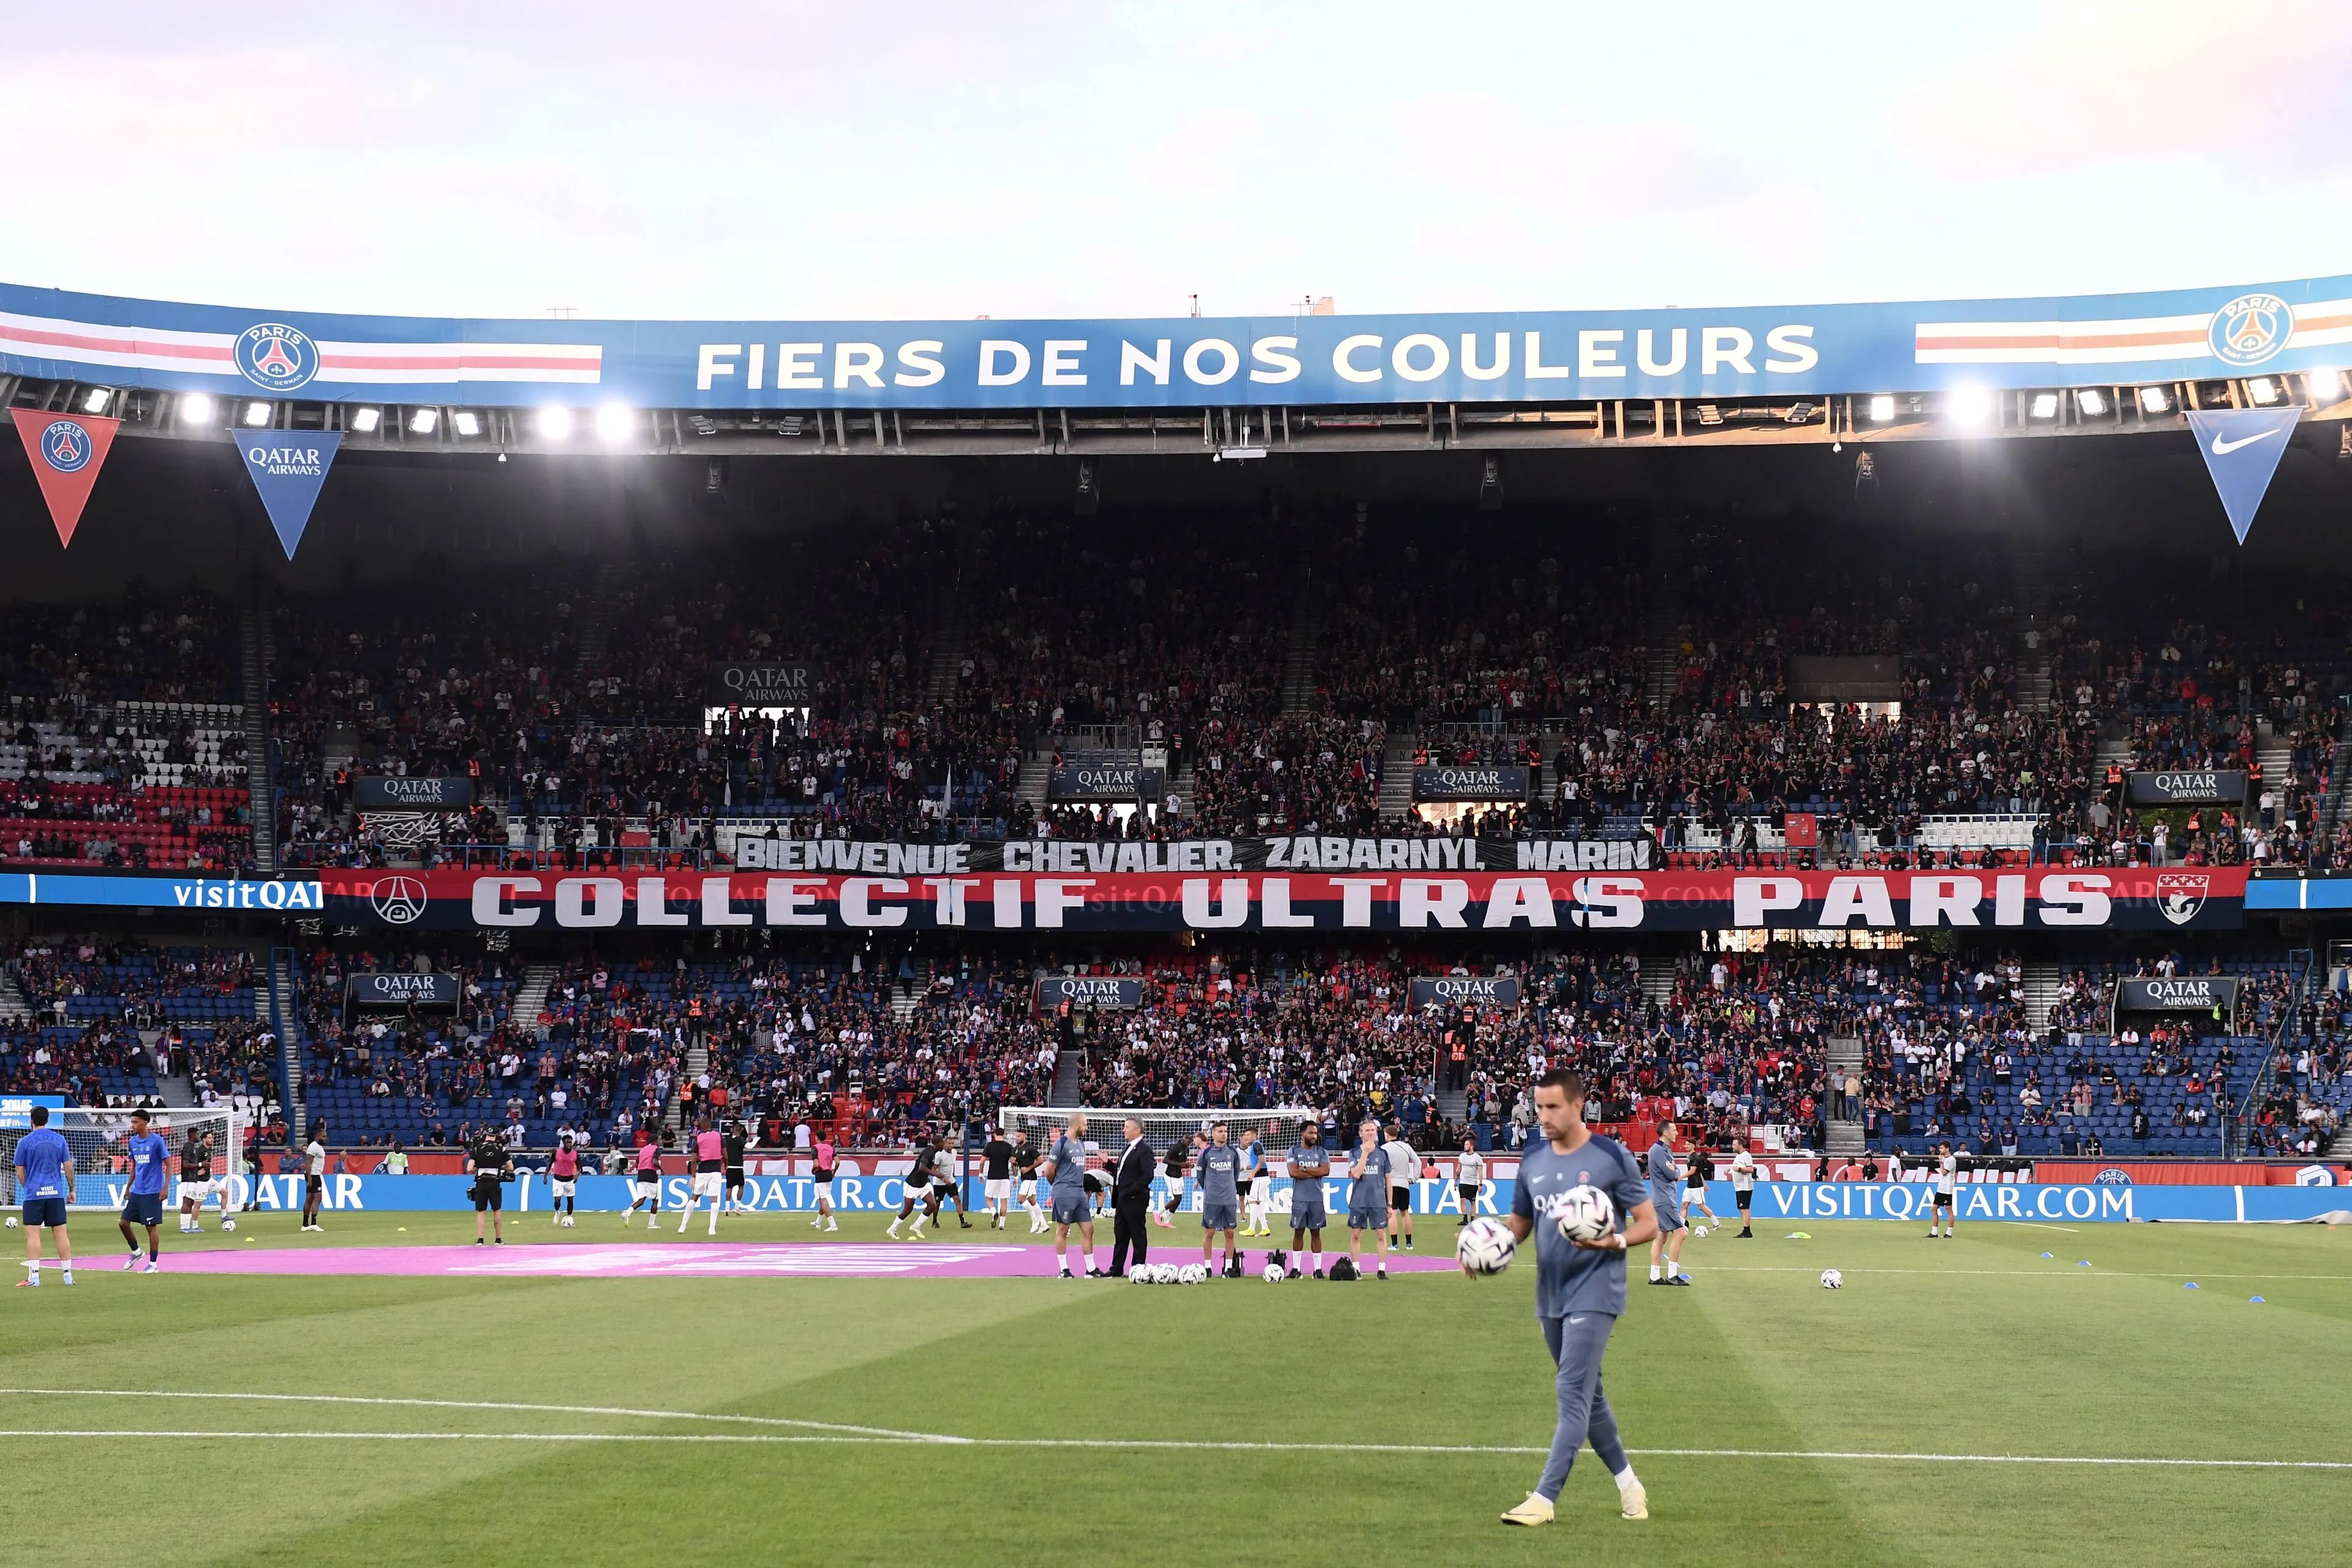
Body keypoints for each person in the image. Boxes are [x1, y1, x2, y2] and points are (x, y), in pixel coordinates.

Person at [1496, 1068, 1656, 1528]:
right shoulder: (1532, 1160)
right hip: (1550, 1292)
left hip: (1596, 1290)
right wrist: (1487, 1242)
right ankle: (1630, 1486)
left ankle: (1545, 1499)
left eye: (1552, 1107)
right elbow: (1521, 1226)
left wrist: (1613, 1242)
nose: (1541, 1116)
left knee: (1570, 1390)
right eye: (1538, 1106)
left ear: (1577, 1105)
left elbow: (1648, 1222)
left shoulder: (1611, 1156)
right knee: (1592, 1396)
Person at [13, 1105, 73, 1287]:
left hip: (34, 1194)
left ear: (31, 1120)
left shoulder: (24, 1142)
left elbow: (19, 1172)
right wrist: (72, 1190)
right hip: (55, 1193)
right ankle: (68, 1277)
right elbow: (68, 1168)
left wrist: (28, 1187)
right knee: (61, 1234)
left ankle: (34, 1278)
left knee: (33, 1235)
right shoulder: (59, 1139)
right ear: (48, 1120)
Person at [1041, 1113, 1099, 1278]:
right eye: (1085, 1125)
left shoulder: (1081, 1144)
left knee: (1088, 1229)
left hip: (1079, 1192)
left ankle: (1090, 1269)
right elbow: (1049, 1171)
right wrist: (1059, 1186)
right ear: (1076, 1125)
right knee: (1063, 1229)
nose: (1087, 1128)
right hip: (1065, 1192)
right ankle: (1063, 1269)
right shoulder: (1061, 1144)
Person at [116, 1109, 169, 1273]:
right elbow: (134, 1166)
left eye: (136, 1122)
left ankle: (153, 1264)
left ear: (145, 1123)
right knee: (123, 1223)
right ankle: (136, 1252)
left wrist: (165, 1187)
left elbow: (169, 1164)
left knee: (150, 1227)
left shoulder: (157, 1141)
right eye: (132, 1122)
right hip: (137, 1191)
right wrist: (128, 1187)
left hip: (152, 1191)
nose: (133, 1125)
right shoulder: (132, 1142)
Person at [1107, 1117, 1155, 1277]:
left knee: (1137, 1234)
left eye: (1127, 1127)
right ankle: (1116, 1268)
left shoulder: (1144, 1150)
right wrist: (1108, 1164)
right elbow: (1123, 1173)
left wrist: (1130, 1191)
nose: (1124, 1130)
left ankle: (1138, 1268)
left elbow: (1148, 1176)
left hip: (1135, 1199)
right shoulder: (1128, 1148)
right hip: (1122, 1199)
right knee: (1120, 1234)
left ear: (1137, 1130)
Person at [1345, 1119, 1392, 1280]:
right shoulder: (1354, 1153)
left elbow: (1388, 1180)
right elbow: (1357, 1174)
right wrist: (1365, 1153)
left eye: (1373, 1130)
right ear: (1361, 1134)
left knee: (1381, 1235)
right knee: (1356, 1234)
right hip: (1359, 1200)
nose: (1371, 1133)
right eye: (1367, 1131)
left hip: (1378, 1201)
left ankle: (1382, 1270)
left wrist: (1390, 1204)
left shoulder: (1383, 1154)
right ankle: (1356, 1269)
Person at [1195, 1121, 1243, 1278]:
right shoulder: (1206, 1153)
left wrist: (1228, 1188)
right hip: (1212, 1200)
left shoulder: (1233, 1153)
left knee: (1230, 1233)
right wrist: (1211, 1190)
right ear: (1213, 1134)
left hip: (1229, 1200)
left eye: (1226, 1131)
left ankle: (1228, 1268)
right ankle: (1208, 1267)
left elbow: (1235, 1175)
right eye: (1221, 1131)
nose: (1224, 1134)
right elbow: (1201, 1177)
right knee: (1210, 1233)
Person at [1285, 1122, 1332, 1278]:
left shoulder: (1322, 1151)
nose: (1314, 1136)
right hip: (1299, 1199)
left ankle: (1317, 1270)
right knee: (1298, 1232)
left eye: (1316, 1133)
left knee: (1316, 1233)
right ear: (1302, 1134)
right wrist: (1315, 1172)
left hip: (1316, 1199)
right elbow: (1293, 1172)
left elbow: (1325, 1171)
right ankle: (1296, 1269)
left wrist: (1304, 1169)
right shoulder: (1293, 1151)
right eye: (1311, 1133)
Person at [1646, 1123, 1689, 1286]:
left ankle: (1655, 1276)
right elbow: (1673, 1173)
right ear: (1665, 1132)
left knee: (1661, 1236)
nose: (1677, 1133)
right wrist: (1675, 1172)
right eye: (1674, 1130)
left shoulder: (1664, 1150)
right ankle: (1672, 1274)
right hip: (1664, 1200)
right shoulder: (1658, 1151)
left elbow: (1674, 1171)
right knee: (1681, 1233)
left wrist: (1675, 1171)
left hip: (1663, 1198)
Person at [679, 1117, 726, 1235]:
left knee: (694, 1197)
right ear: (710, 1125)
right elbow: (725, 1153)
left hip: (703, 1170)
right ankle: (712, 1229)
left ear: (701, 1126)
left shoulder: (699, 1139)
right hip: (715, 1170)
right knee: (714, 1199)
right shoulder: (719, 1136)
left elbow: (694, 1160)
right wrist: (726, 1165)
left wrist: (693, 1175)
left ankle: (683, 1226)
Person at [176, 1123, 225, 1234]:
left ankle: (187, 1227)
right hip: (188, 1178)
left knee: (190, 1201)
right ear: (192, 1135)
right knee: (187, 1201)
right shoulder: (188, 1147)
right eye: (197, 1134)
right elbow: (185, 1164)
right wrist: (200, 1165)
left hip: (192, 1178)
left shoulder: (192, 1147)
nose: (198, 1136)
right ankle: (184, 1227)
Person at [468, 1123, 512, 1245]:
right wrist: (499, 1166)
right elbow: (511, 1167)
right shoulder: (501, 1149)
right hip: (495, 1182)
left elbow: (470, 1168)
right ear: (497, 1136)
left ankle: (480, 1240)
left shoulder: (477, 1149)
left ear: (486, 1135)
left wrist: (480, 1167)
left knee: (481, 1212)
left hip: (481, 1182)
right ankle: (498, 1239)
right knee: (497, 1210)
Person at [1382, 1122, 1423, 1251]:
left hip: (1391, 1184)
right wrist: (1414, 1177)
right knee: (1405, 1213)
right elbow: (1418, 1162)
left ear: (1387, 1135)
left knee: (1392, 1212)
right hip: (1404, 1183)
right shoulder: (1406, 1147)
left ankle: (1394, 1244)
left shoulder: (1384, 1148)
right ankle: (1409, 1243)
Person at [981, 1125, 1016, 1229]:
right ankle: (1002, 1224)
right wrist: (1016, 1176)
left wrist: (980, 1173)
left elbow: (982, 1161)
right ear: (1004, 1135)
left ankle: (993, 1212)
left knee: (989, 1198)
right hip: (1005, 1177)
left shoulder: (990, 1146)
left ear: (994, 1134)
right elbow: (1014, 1163)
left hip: (992, 1176)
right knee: (1004, 1201)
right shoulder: (1009, 1147)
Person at [1236, 1127, 1270, 1236]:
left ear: (1255, 1135)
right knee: (1255, 1202)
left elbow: (1262, 1161)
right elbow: (1256, 1162)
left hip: (1260, 1177)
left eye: (1249, 1135)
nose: (1246, 1137)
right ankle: (1262, 1228)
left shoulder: (1256, 1145)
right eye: (1245, 1135)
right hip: (1259, 1177)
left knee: (1254, 1201)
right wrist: (1246, 1168)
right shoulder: (1254, 1146)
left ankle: (1253, 1228)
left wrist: (1253, 1173)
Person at [623, 1134, 663, 1226]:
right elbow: (654, 1162)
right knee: (656, 1200)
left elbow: (637, 1163)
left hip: (641, 1175)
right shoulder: (656, 1149)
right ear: (656, 1141)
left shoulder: (643, 1150)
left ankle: (627, 1213)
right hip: (651, 1175)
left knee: (641, 1200)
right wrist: (662, 1169)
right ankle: (651, 1224)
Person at [1014, 1128, 1047, 1234]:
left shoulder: (1030, 1148)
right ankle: (1044, 1225)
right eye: (1016, 1136)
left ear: (1025, 1136)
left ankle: (1035, 1221)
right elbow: (1014, 1163)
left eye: (1019, 1136)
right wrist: (1014, 1163)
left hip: (1031, 1177)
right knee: (1033, 1202)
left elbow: (1040, 1160)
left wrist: (1029, 1168)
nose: (1017, 1138)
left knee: (1021, 1199)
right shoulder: (1016, 1150)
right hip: (1024, 1178)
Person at [1156, 1133, 1193, 1228]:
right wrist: (1180, 1164)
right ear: (1183, 1138)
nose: (1188, 1142)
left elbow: (1180, 1164)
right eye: (1187, 1139)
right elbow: (1165, 1160)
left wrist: (1187, 1166)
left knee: (1179, 1199)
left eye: (1190, 1140)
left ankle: (1166, 1220)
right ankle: (1158, 1213)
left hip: (1178, 1175)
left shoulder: (1187, 1150)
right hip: (1171, 1175)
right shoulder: (1176, 1147)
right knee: (1177, 1198)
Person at [1683, 1145, 1721, 1234]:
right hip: (1690, 1185)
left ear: (1693, 1146)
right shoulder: (1690, 1157)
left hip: (1697, 1186)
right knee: (1684, 1205)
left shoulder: (1695, 1157)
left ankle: (1716, 1223)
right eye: (1686, 1144)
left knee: (1701, 1206)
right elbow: (1698, 1172)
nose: (1686, 1146)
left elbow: (1695, 1172)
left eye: (1688, 1144)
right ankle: (1682, 1226)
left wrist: (1680, 1177)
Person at [548, 1133, 580, 1226]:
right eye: (567, 1142)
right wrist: (545, 1176)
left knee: (570, 1200)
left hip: (570, 1180)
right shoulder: (557, 1152)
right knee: (557, 1200)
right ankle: (557, 1212)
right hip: (558, 1179)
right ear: (564, 1143)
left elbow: (579, 1167)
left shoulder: (575, 1154)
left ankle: (570, 1217)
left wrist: (577, 1175)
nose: (569, 1144)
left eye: (570, 1142)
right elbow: (550, 1164)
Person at [809, 1133, 839, 1231]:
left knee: (822, 1200)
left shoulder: (815, 1148)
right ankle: (818, 1222)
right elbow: (838, 1162)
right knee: (823, 1198)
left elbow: (816, 1164)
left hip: (820, 1175)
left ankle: (833, 1225)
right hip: (829, 1174)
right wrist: (834, 1172)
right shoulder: (830, 1148)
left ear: (817, 1137)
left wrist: (813, 1170)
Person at [1929, 1141, 1958, 1239]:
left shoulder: (1951, 1160)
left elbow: (1944, 1172)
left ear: (1947, 1149)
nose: (1940, 1150)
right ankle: (1934, 1232)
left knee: (1949, 1210)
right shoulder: (1945, 1159)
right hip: (1941, 1187)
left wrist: (1941, 1162)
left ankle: (1949, 1233)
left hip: (1947, 1188)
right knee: (1933, 1209)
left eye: (1942, 1148)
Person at [300, 1129, 327, 1232]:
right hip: (314, 1175)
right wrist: (310, 1179)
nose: (325, 1139)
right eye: (323, 1137)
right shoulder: (314, 1146)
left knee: (310, 1199)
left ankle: (305, 1224)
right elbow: (308, 1163)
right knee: (317, 1198)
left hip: (314, 1175)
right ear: (318, 1136)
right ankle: (314, 1223)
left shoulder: (318, 1147)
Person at [1456, 1136, 1487, 1226]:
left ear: (1472, 1146)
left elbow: (1480, 1172)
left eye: (1467, 1144)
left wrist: (1480, 1184)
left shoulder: (1477, 1158)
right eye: (1465, 1144)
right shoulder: (1462, 1156)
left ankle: (1473, 1219)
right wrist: (1456, 1180)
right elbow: (1459, 1169)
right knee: (1462, 1200)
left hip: (1472, 1183)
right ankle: (1465, 1219)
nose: (1465, 1146)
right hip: (1463, 1182)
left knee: (1472, 1202)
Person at [722, 1118, 750, 1215]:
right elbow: (749, 1146)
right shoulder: (741, 1140)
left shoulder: (727, 1140)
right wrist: (756, 1140)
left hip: (729, 1167)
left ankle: (727, 1208)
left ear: (732, 1130)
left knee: (729, 1188)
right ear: (740, 1131)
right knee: (741, 1186)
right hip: (738, 1167)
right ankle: (737, 1207)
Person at [1728, 1144, 1757, 1238]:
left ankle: (1747, 1231)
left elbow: (1751, 1169)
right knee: (1741, 1208)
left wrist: (1739, 1169)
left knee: (1744, 1208)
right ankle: (1746, 1229)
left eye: (1734, 1145)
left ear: (1740, 1145)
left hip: (1745, 1187)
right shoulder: (1738, 1156)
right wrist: (1729, 1170)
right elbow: (1736, 1167)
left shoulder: (1746, 1155)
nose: (1733, 1146)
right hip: (1739, 1186)